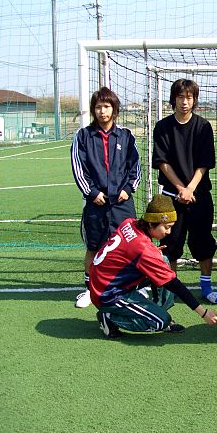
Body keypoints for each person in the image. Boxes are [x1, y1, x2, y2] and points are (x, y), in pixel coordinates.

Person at [89, 194, 217, 338]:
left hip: (103, 281)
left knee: (163, 261)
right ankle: (109, 317)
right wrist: (203, 313)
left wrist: (151, 253)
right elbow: (174, 284)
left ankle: (156, 310)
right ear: (151, 223)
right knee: (160, 322)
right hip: (108, 294)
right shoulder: (142, 248)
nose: (169, 232)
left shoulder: (130, 222)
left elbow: (125, 252)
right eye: (166, 227)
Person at [152, 79, 217, 305]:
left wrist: (190, 188)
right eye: (181, 97)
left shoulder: (203, 126)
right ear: (174, 99)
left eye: (189, 97)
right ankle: (171, 288)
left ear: (195, 100)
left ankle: (206, 287)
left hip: (198, 195)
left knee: (203, 243)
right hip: (172, 197)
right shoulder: (162, 127)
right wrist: (181, 189)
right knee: (170, 244)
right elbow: (162, 162)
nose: (185, 102)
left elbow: (204, 163)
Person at [71, 87, 141, 309]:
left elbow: (135, 166)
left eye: (107, 106)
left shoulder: (126, 136)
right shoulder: (83, 136)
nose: (103, 111)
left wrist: (128, 189)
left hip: (122, 202)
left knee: (130, 245)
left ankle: (133, 286)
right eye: (99, 107)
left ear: (114, 109)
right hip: (97, 203)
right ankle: (90, 289)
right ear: (93, 110)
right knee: (95, 246)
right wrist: (92, 193)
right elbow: (79, 168)